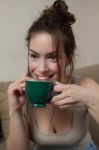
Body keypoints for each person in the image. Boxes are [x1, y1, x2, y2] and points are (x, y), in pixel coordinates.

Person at [7, 0, 99, 150]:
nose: (42, 69)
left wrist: (90, 101)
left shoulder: (85, 85)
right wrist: (14, 111)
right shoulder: (23, 93)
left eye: (52, 57)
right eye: (34, 56)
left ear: (68, 59)